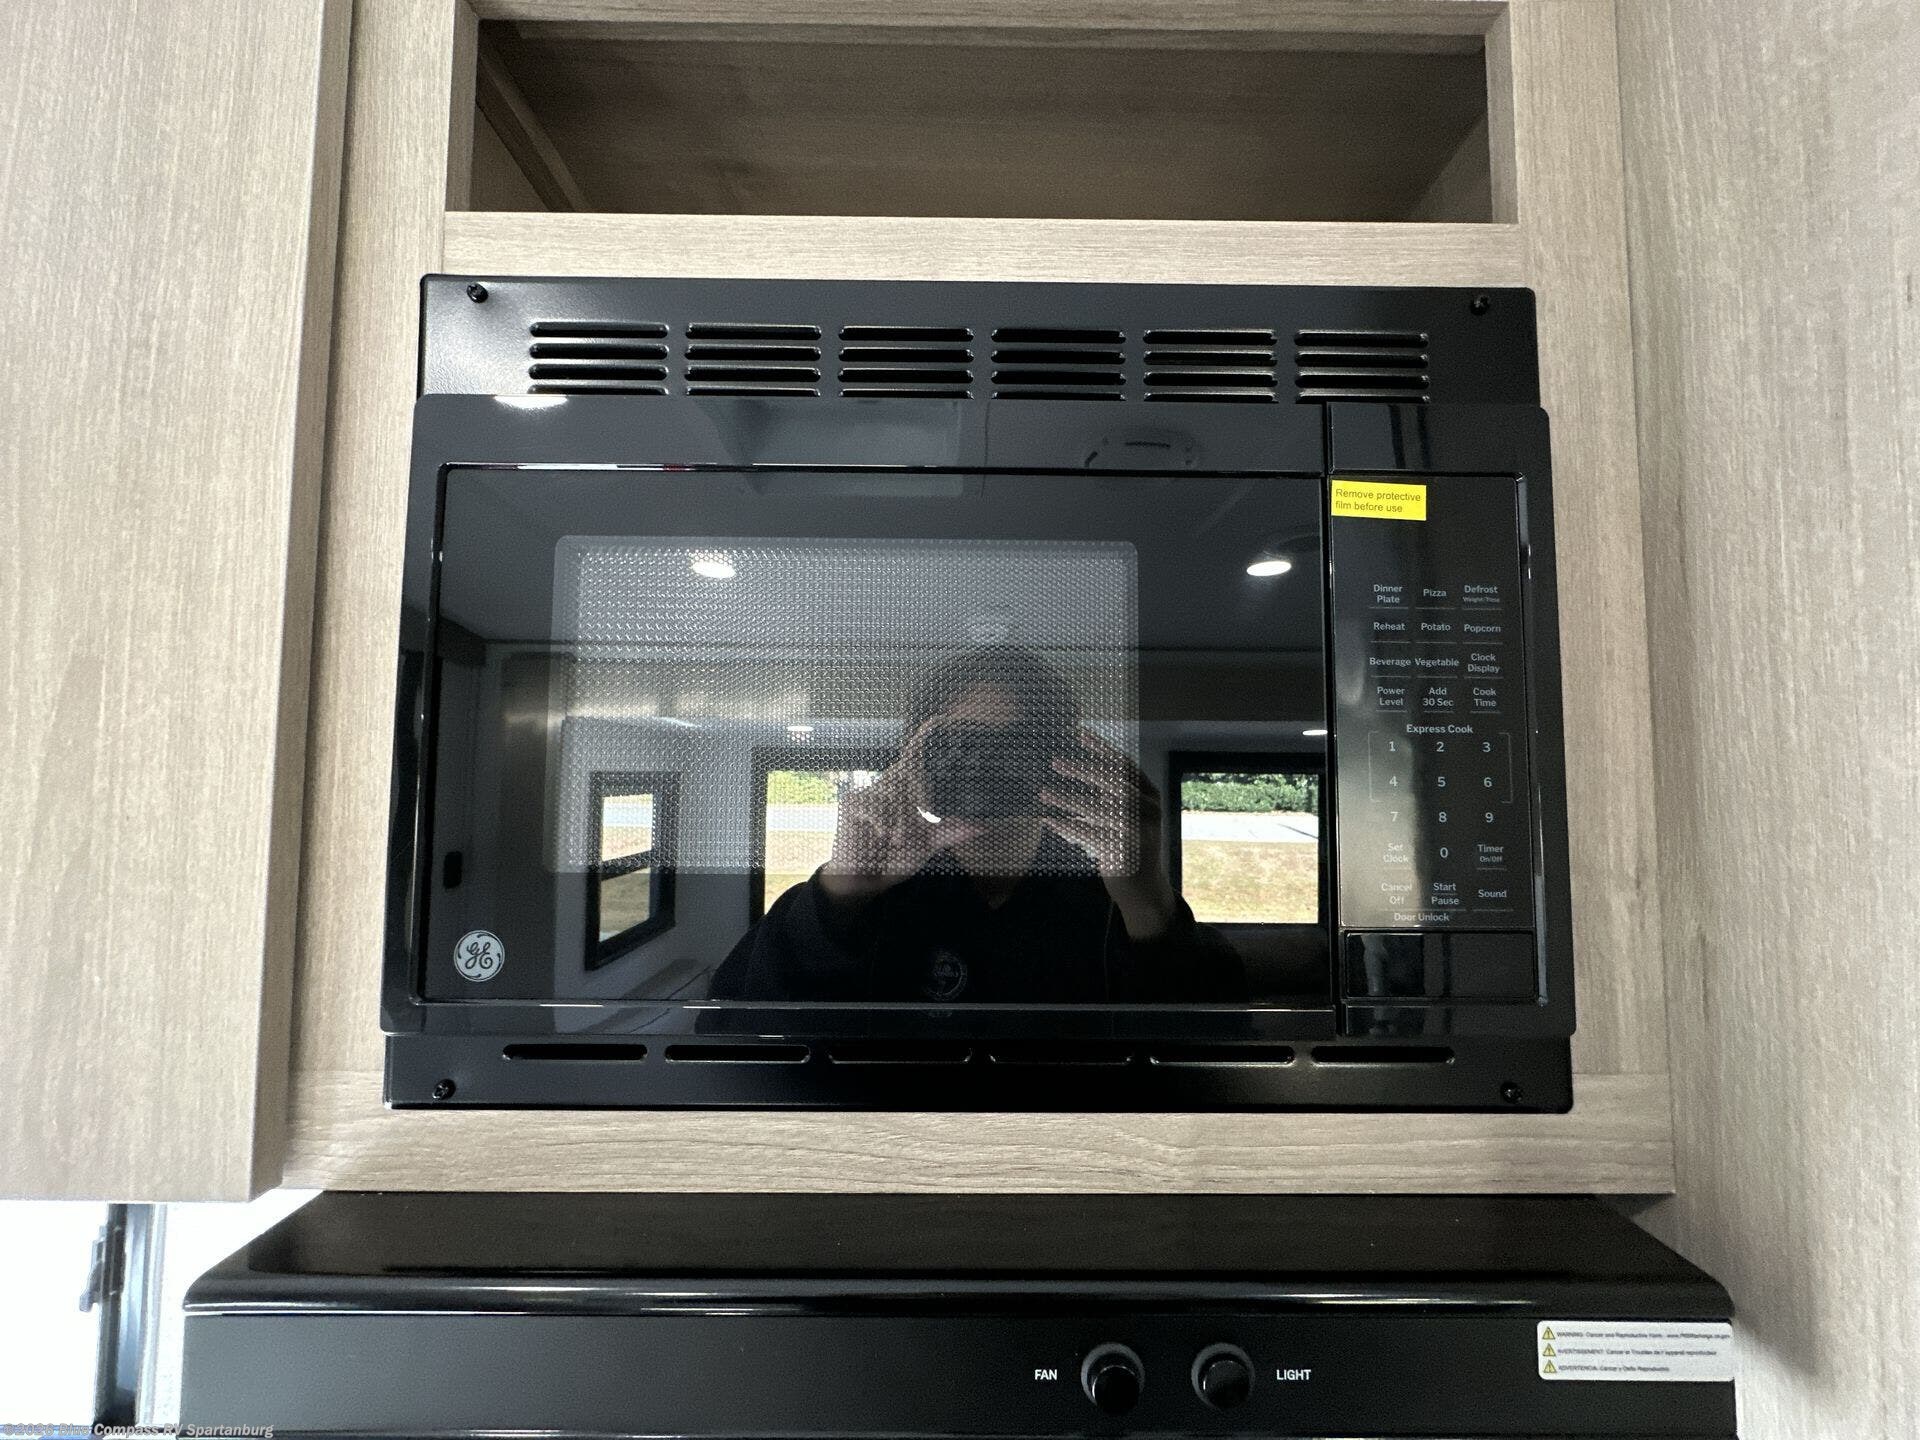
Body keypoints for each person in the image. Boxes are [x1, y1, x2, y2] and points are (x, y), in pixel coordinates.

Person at [710, 645, 1242, 1003]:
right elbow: (731, 1021)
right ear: (914, 758)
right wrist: (840, 894)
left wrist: (1147, 901)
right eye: (960, 744)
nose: (983, 766)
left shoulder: (1111, 892)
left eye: (1013, 746)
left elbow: (1219, 1035)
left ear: (1060, 757)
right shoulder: (872, 892)